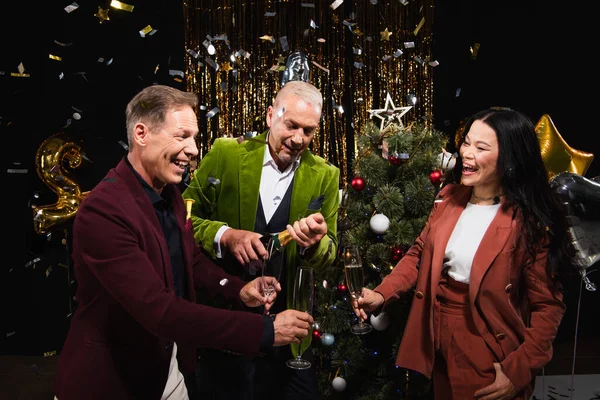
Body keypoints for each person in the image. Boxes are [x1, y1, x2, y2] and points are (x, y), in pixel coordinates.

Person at [53, 84, 314, 400]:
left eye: (194, 138)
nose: (193, 150)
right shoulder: (103, 211)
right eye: (182, 136)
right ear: (141, 134)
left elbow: (190, 260)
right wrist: (265, 331)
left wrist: (237, 290)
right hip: (110, 381)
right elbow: (159, 310)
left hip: (168, 370)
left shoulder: (171, 195)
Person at [352, 107, 574, 400]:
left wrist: (518, 371)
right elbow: (420, 255)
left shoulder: (528, 221)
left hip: (486, 345)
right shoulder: (448, 197)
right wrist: (381, 295)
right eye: (467, 142)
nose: (466, 153)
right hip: (437, 336)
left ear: (509, 158)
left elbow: (548, 307)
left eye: (481, 147)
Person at [181, 80, 340, 399]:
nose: (298, 139)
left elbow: (330, 252)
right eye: (291, 125)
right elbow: (182, 219)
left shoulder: (325, 175)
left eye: (308, 131)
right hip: (225, 325)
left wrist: (314, 242)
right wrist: (225, 235)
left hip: (289, 335)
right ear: (270, 116)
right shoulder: (227, 155)